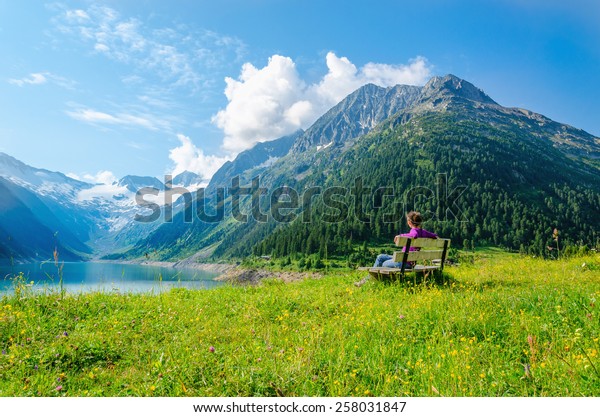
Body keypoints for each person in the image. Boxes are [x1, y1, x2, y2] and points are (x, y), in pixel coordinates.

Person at [372, 211, 438, 268]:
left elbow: (414, 235)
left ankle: (370, 279)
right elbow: (434, 236)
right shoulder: (423, 232)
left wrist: (400, 236)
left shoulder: (414, 231)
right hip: (408, 261)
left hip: (404, 262)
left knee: (383, 263)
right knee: (380, 257)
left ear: (409, 222)